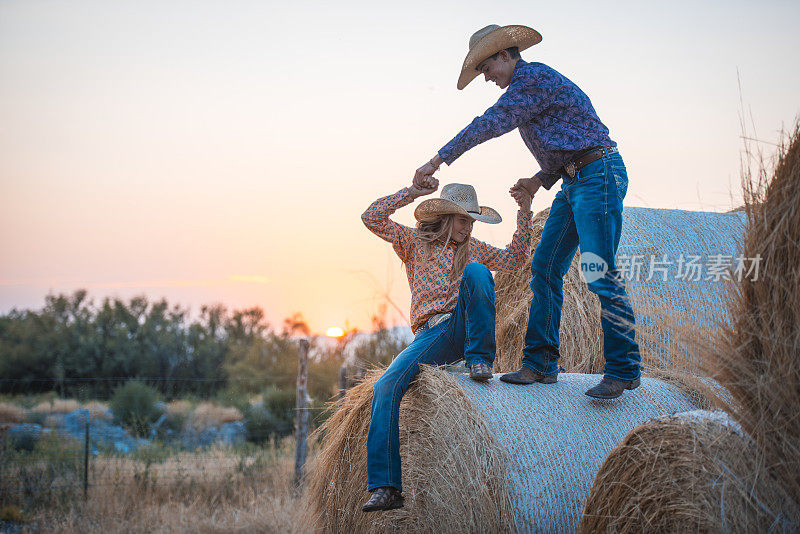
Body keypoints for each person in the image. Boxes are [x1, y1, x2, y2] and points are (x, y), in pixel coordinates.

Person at [413, 24, 641, 400]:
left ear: (505, 55)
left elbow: (490, 123)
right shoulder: (530, 90)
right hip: (574, 181)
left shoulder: (532, 79)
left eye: (486, 69)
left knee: (598, 270)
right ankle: (540, 364)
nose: (486, 78)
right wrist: (539, 180)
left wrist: (437, 160)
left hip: (598, 175)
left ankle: (624, 367)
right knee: (545, 267)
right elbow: (568, 140)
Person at [360, 179, 532, 512]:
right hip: (432, 335)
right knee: (386, 387)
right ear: (446, 217)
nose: (468, 228)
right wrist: (413, 192)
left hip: (465, 326)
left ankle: (480, 359)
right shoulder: (413, 242)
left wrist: (524, 211)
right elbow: (372, 218)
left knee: (480, 271)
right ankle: (386, 486)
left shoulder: (473, 249)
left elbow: (514, 261)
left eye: (472, 221)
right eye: (463, 220)